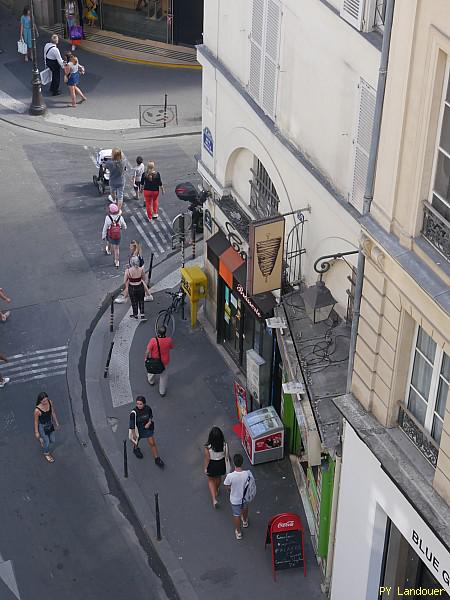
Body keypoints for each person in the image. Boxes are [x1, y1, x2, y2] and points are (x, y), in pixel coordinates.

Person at [128, 396, 164, 468]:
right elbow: (131, 424)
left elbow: (150, 416)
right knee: (136, 441)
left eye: (140, 404)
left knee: (152, 443)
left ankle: (157, 458)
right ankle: (136, 449)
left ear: (144, 404)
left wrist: (149, 423)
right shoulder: (134, 413)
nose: (139, 406)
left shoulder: (148, 409)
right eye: (137, 404)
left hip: (147, 428)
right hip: (138, 429)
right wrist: (134, 433)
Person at [224, 453, 253, 540]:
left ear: (234, 463)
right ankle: (245, 521)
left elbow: (226, 486)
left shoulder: (230, 476)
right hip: (245, 497)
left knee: (236, 514)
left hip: (235, 499)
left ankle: (239, 532)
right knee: (245, 508)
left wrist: (230, 490)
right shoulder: (247, 474)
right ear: (242, 462)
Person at [204, 427, 229, 509]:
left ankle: (214, 499)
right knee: (218, 478)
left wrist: (205, 468)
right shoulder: (224, 445)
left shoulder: (207, 447)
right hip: (221, 464)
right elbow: (227, 456)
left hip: (212, 464)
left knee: (211, 480)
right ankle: (217, 488)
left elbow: (207, 458)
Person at [145, 326, 174, 397]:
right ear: (165, 332)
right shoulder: (169, 340)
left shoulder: (153, 340)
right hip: (165, 361)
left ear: (158, 332)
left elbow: (147, 351)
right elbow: (171, 347)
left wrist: (146, 358)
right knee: (163, 376)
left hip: (154, 360)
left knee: (151, 370)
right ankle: (162, 392)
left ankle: (151, 381)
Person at [34, 392, 60, 463]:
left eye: (46, 400)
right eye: (44, 401)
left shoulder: (50, 402)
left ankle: (43, 440)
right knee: (47, 442)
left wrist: (57, 423)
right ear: (40, 401)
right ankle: (46, 453)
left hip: (50, 424)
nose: (46, 402)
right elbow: (36, 422)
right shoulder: (37, 410)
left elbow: (53, 412)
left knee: (52, 440)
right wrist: (36, 432)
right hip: (42, 427)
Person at [102, 203, 127, 268]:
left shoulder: (107, 218)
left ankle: (109, 250)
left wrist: (103, 235)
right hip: (117, 235)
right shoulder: (120, 217)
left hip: (110, 233)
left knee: (109, 241)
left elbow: (105, 227)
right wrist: (123, 227)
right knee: (116, 248)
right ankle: (117, 261)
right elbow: (124, 226)